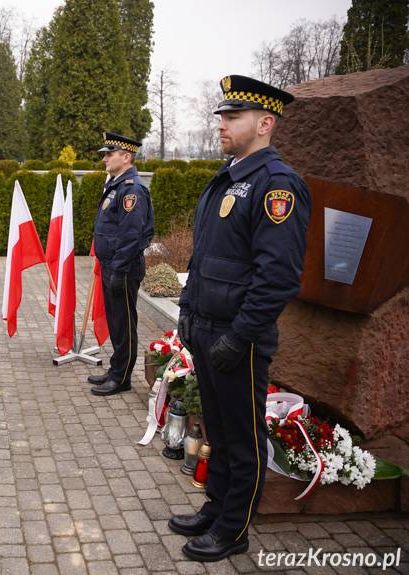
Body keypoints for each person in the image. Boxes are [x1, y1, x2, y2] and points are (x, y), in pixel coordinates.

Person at [169, 75, 310, 562]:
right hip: (207, 327)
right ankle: (217, 506)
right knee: (220, 428)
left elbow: (278, 278)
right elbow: (204, 258)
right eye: (223, 116)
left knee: (243, 433)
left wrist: (240, 335)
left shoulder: (276, 185)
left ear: (265, 123)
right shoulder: (227, 177)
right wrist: (187, 312)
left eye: (234, 117)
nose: (223, 124)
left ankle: (234, 528)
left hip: (238, 336)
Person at [88, 132, 154, 396]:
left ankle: (123, 377)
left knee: (124, 322)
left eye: (110, 153)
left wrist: (118, 268)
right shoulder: (116, 186)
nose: (105, 158)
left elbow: (131, 235)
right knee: (116, 321)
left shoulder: (131, 191)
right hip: (112, 266)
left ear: (126, 157)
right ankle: (117, 368)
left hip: (122, 269)